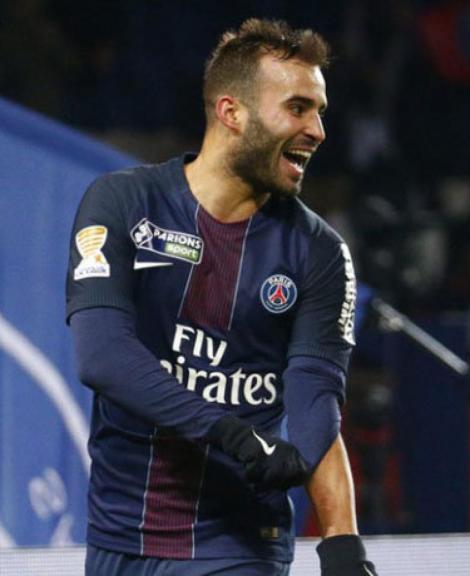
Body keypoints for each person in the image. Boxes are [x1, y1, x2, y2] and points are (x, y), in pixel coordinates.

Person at [65, 19, 376, 576]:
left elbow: (314, 405)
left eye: (320, 111)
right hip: (118, 539)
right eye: (299, 108)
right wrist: (233, 435)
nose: (318, 130)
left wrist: (342, 544)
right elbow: (104, 356)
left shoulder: (319, 253)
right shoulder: (123, 203)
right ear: (232, 112)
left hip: (238, 547)